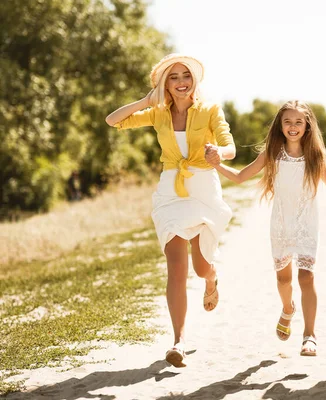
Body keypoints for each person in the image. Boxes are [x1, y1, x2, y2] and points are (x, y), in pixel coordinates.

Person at [205, 100, 326, 356]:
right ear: (280, 125)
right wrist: (216, 164)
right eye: (287, 121)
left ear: (307, 125)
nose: (293, 126)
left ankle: (310, 335)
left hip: (306, 224)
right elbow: (239, 177)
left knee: (306, 277)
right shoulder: (272, 153)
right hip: (280, 224)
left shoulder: (316, 154)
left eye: (298, 122)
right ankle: (288, 309)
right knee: (283, 279)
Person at [105, 53, 236, 367]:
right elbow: (114, 120)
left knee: (201, 266)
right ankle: (178, 340)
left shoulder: (209, 110)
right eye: (174, 77)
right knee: (176, 268)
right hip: (170, 192)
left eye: (186, 76)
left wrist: (219, 153)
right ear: (165, 83)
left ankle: (211, 278)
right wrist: (145, 101)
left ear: (195, 81)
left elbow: (229, 146)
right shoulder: (158, 113)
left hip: (203, 188)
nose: (181, 82)